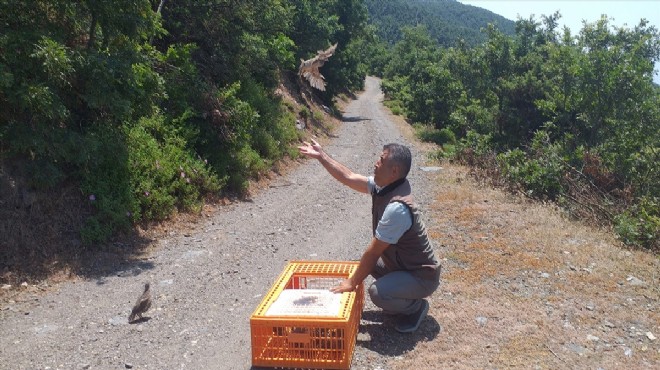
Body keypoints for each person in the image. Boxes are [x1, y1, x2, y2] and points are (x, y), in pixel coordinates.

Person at [298, 139, 441, 333]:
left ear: (394, 171)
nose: (376, 163)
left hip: (422, 276)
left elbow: (373, 252)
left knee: (378, 292)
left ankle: (415, 307)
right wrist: (322, 156)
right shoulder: (386, 186)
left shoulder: (397, 208)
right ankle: (399, 296)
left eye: (381, 160)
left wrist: (350, 283)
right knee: (366, 266)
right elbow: (348, 177)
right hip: (404, 266)